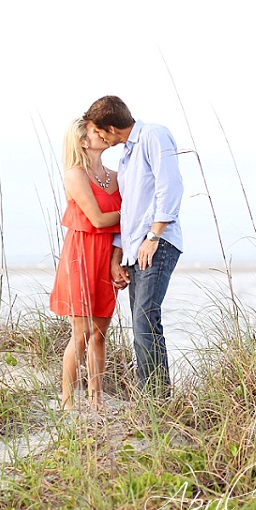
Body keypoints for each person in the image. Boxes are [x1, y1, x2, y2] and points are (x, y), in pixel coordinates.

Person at [83, 95, 183, 398]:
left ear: (111, 127)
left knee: (145, 317)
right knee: (141, 321)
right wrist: (118, 257)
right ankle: (152, 396)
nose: (99, 137)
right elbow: (129, 211)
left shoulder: (153, 134)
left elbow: (170, 187)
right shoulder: (127, 155)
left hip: (158, 243)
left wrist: (153, 238)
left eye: (99, 131)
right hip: (136, 249)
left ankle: (156, 399)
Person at [49, 117, 122, 411]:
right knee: (80, 333)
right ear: (82, 140)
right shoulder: (75, 175)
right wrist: (135, 213)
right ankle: (67, 403)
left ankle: (96, 399)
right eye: (96, 131)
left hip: (107, 256)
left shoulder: (116, 176)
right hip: (80, 255)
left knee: (101, 333)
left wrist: (117, 259)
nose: (103, 134)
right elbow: (99, 219)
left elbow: (120, 233)